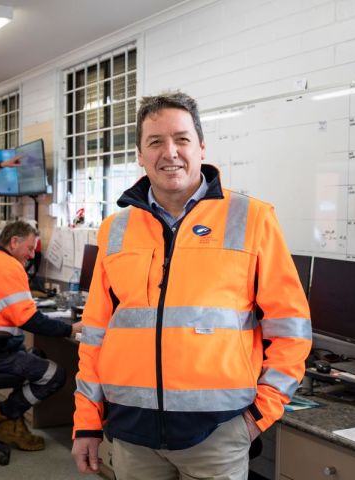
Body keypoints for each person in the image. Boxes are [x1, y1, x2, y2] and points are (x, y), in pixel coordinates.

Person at [71, 92, 312, 479]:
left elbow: (291, 329)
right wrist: (87, 420)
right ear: (140, 154)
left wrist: (258, 415)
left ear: (201, 147)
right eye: (155, 141)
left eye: (182, 139)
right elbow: (96, 335)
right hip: (132, 435)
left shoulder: (252, 218)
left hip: (219, 434)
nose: (170, 152)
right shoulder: (114, 230)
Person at [0, 220, 82, 451]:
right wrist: (71, 329)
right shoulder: (8, 267)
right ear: (14, 242)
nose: (32, 254)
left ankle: (10, 423)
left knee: (36, 354)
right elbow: (28, 319)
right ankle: (1, 413)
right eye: (30, 248)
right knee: (55, 375)